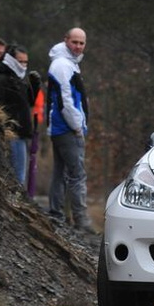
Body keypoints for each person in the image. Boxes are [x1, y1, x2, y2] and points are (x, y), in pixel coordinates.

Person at [46, 27, 95, 233]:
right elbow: (66, 101)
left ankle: (57, 214)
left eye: (81, 43)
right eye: (74, 42)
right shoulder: (63, 65)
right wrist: (77, 126)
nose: (78, 46)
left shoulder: (68, 63)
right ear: (65, 40)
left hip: (61, 127)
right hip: (66, 128)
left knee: (61, 172)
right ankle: (81, 221)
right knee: (77, 174)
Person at [0, 44, 34, 185]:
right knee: (18, 176)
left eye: (25, 62)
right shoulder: (2, 79)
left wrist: (35, 87)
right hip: (12, 133)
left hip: (20, 132)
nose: (23, 65)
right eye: (20, 61)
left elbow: (27, 103)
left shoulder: (19, 78)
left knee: (20, 173)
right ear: (12, 60)